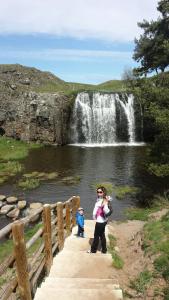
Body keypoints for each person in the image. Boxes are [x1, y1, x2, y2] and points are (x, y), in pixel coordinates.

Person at [88, 186, 111, 253]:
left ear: (103, 192)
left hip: (100, 221)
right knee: (102, 235)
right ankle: (104, 250)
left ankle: (93, 250)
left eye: (100, 192)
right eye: (98, 192)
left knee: (96, 236)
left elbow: (106, 211)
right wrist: (94, 216)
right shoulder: (101, 199)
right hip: (102, 220)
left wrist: (104, 205)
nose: (99, 193)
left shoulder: (104, 201)